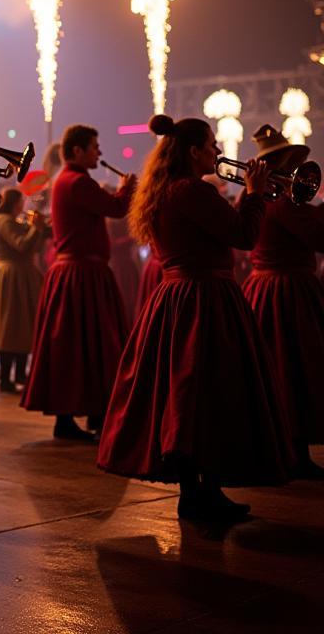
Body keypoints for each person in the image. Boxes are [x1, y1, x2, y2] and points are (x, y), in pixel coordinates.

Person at [98, 115, 293, 521]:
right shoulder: (192, 190)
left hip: (177, 297)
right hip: (204, 297)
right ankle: (205, 493)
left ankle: (198, 493)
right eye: (211, 146)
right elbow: (242, 235)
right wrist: (254, 193)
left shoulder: (166, 189)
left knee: (187, 397)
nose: (218, 152)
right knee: (210, 393)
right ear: (192, 152)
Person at [21, 124, 135, 441]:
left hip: (79, 272)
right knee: (87, 345)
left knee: (81, 346)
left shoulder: (69, 180)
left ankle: (86, 415)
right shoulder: (77, 181)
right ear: (77, 151)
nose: (99, 152)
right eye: (94, 147)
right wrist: (128, 187)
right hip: (81, 274)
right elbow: (116, 208)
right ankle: (81, 417)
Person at [242, 124, 324, 478]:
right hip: (288, 290)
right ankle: (296, 452)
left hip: (267, 287)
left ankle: (288, 449)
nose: (296, 169)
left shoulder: (265, 198)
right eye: (291, 162)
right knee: (296, 370)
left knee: (282, 369)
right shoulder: (282, 201)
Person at [0, 188, 48, 394]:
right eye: (21, 202)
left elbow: (31, 247)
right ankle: (7, 377)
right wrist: (35, 228)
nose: (23, 206)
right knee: (12, 326)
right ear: (14, 202)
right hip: (14, 275)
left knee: (18, 326)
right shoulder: (4, 221)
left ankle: (18, 373)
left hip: (13, 274)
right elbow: (22, 245)